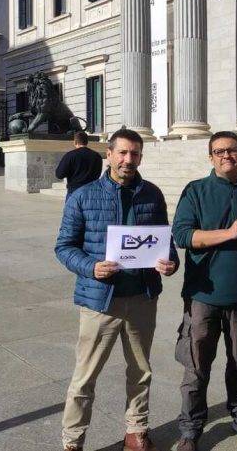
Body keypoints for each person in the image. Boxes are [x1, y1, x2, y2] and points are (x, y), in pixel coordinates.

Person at [55, 128, 179, 451]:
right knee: (84, 377)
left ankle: (136, 432)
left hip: (141, 298)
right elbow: (64, 247)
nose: (128, 160)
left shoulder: (152, 194)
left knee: (141, 370)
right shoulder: (84, 196)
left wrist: (169, 263)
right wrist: (91, 267)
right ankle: (72, 440)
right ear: (108, 154)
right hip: (100, 301)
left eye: (134, 154)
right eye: (122, 153)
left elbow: (166, 244)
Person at [171, 131, 237, 451]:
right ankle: (191, 428)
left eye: (232, 150)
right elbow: (183, 236)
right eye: (219, 151)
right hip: (204, 294)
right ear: (210, 156)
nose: (226, 156)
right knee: (196, 365)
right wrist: (228, 233)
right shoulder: (196, 190)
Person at [55, 131, 104, 199]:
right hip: (92, 193)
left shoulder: (70, 155)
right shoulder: (97, 156)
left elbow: (59, 174)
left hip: (74, 192)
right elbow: (98, 174)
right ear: (87, 142)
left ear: (75, 142)